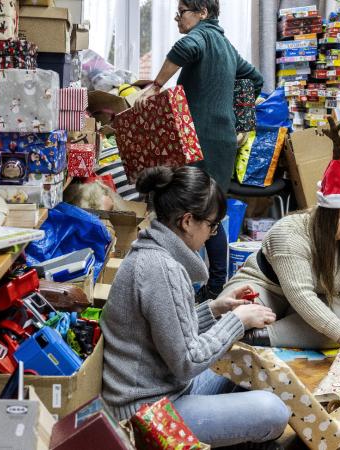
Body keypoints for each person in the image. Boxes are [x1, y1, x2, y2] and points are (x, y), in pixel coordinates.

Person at [100, 166, 290, 447]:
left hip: (169, 388)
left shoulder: (155, 255)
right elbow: (187, 361)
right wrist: (237, 320)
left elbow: (168, 332)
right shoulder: (160, 269)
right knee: (273, 412)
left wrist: (215, 310)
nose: (213, 233)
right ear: (188, 221)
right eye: (212, 225)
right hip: (147, 412)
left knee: (252, 367)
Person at [135, 0, 264, 298]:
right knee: (211, 209)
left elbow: (183, 49)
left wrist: (155, 85)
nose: (177, 19)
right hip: (222, 142)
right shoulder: (226, 46)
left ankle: (181, 282)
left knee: (184, 207)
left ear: (203, 13)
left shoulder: (203, 36)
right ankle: (216, 283)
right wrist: (240, 120)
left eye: (182, 13)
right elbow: (253, 79)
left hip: (198, 140)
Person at [225, 118, 340, 350]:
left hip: (305, 305)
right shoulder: (289, 233)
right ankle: (261, 335)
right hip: (266, 290)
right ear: (326, 214)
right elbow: (301, 295)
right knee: (237, 314)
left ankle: (263, 337)